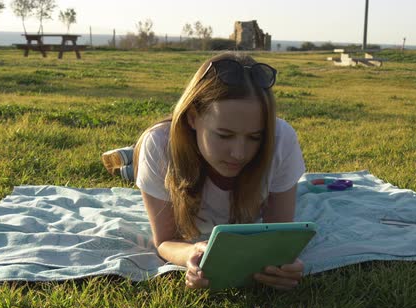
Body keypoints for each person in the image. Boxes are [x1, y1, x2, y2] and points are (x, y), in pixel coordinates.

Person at [101, 52, 306, 290]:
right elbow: (165, 241)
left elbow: (278, 235)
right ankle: (131, 159)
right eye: (224, 135)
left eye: (254, 137)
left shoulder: (281, 139)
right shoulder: (159, 145)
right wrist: (192, 252)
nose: (239, 153)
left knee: (141, 168)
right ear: (192, 118)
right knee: (147, 156)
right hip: (165, 154)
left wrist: (284, 264)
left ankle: (128, 161)